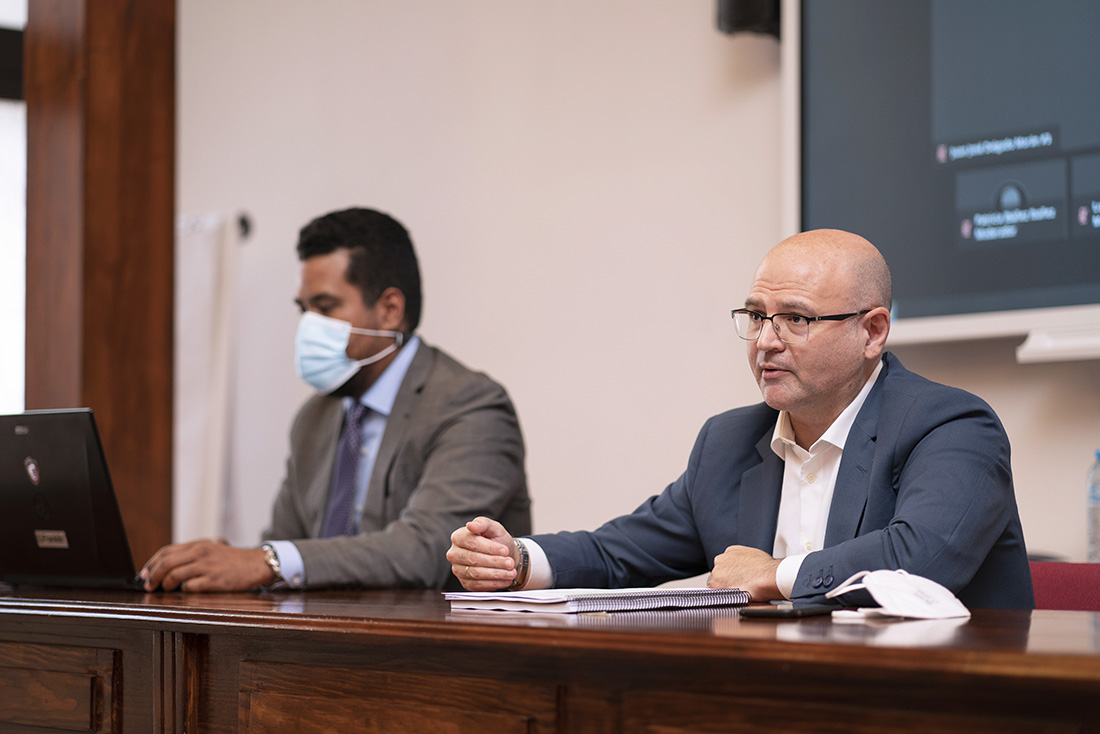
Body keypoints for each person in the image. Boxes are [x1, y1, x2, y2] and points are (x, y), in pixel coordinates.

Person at [448, 229, 1034, 609]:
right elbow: (618, 552)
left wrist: (775, 575)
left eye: (796, 320)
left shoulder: (950, 426)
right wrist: (517, 560)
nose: (765, 343)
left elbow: (922, 560)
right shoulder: (729, 441)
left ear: (872, 332)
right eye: (756, 317)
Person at [142, 207, 530, 592]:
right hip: (322, 629)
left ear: (390, 310)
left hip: (435, 632)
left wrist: (265, 561)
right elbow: (282, 548)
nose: (308, 326)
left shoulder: (471, 406)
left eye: (325, 307)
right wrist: (223, 566)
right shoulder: (314, 416)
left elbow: (425, 550)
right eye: (304, 310)